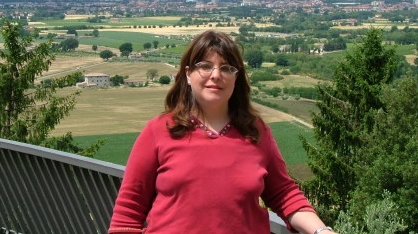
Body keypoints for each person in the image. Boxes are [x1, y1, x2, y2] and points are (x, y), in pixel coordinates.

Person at [109, 30, 337, 234]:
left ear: (236, 78)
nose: (216, 75)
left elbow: (284, 194)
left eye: (227, 67)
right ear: (188, 74)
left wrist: (320, 231)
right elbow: (128, 213)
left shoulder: (256, 131)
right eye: (205, 66)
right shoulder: (159, 131)